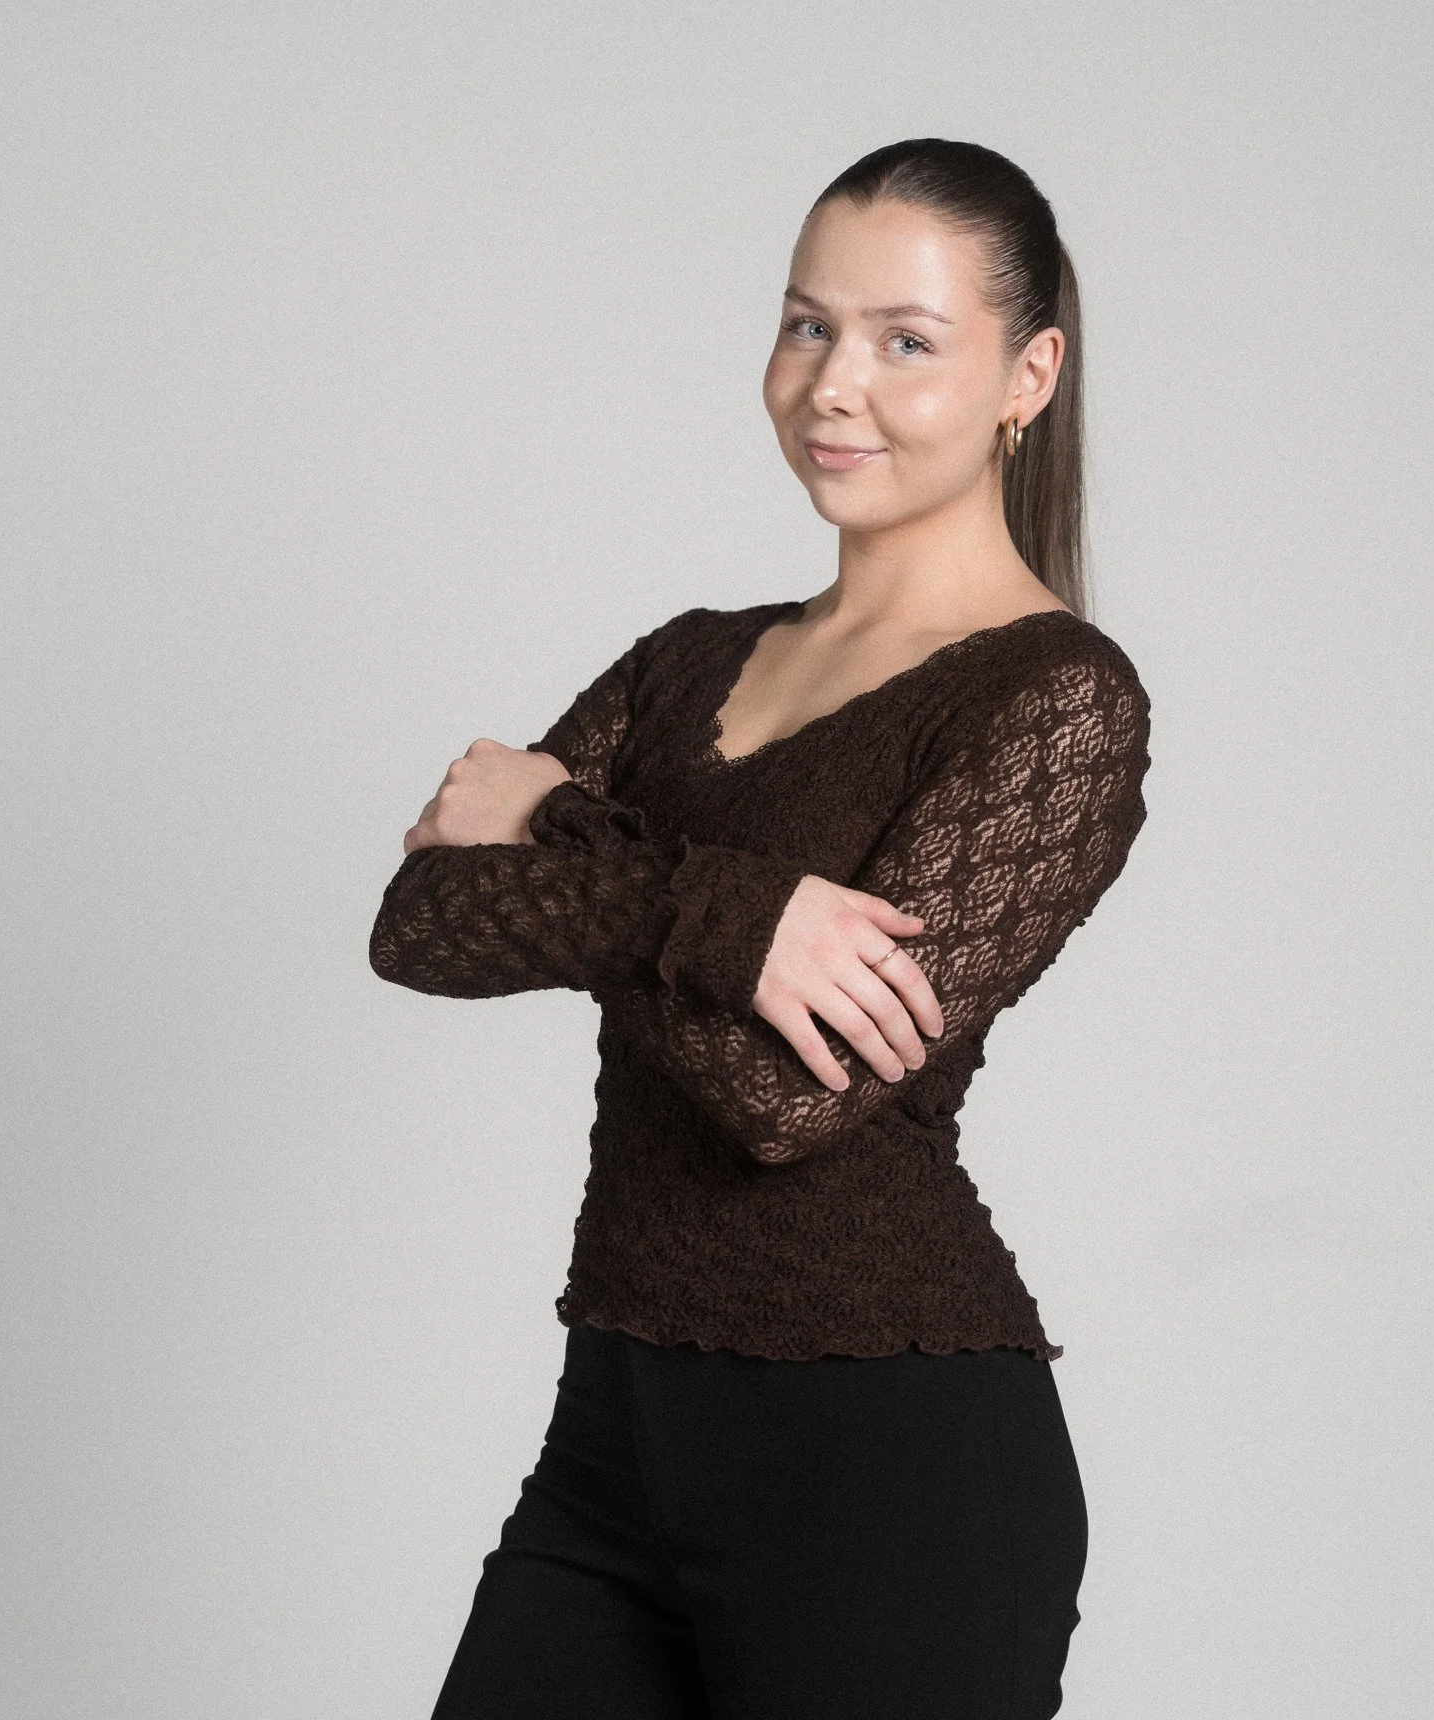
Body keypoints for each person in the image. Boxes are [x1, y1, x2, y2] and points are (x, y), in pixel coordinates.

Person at [369, 138, 1153, 1719]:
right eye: (807, 325)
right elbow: (422, 921)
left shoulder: (1055, 699)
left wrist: (564, 834)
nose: (832, 384)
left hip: (888, 1463)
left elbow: (788, 1098)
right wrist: (736, 913)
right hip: (614, 1433)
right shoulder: (687, 664)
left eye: (904, 340)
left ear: (1030, 373)